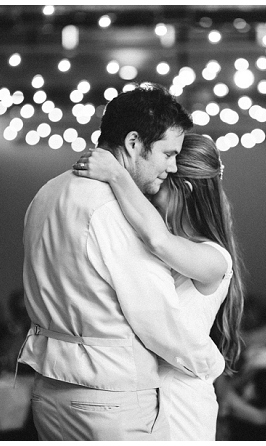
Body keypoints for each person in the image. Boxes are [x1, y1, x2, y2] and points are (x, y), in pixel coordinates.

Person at [19, 82, 221, 440]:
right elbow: (154, 316)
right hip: (107, 396)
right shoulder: (116, 210)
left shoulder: (45, 193)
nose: (172, 167)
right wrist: (207, 362)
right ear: (132, 144)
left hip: (48, 391)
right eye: (167, 153)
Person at [73, 132, 245, 440]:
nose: (150, 195)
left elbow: (158, 241)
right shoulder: (167, 247)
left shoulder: (215, 258)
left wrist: (116, 173)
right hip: (143, 395)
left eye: (159, 186)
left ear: (186, 190)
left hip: (182, 400)